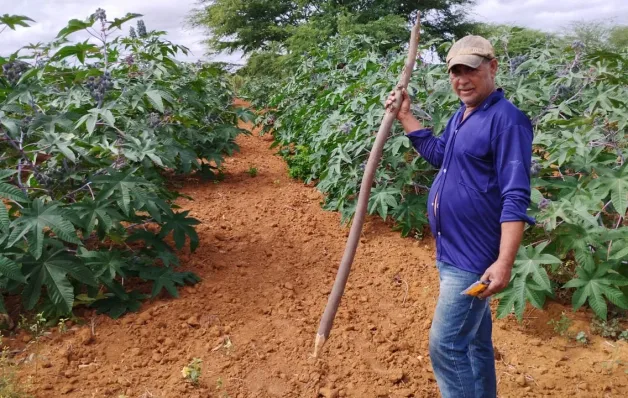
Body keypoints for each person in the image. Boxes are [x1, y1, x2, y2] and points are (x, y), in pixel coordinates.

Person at [385, 35, 535, 397]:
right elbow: (442, 157)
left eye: (471, 69)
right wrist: (406, 116)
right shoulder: (463, 115)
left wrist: (503, 261)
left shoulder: (507, 121)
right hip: (451, 252)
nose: (462, 79)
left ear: (493, 68)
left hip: (474, 259)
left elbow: (516, 195)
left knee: (446, 345)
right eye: (456, 71)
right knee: (473, 343)